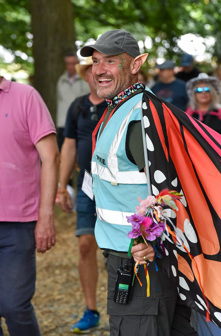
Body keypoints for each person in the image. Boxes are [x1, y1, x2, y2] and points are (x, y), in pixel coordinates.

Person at [80, 29, 199, 336]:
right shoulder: (122, 108)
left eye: (110, 61)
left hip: (141, 265)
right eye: (95, 61)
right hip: (137, 262)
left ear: (136, 65)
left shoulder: (139, 117)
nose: (99, 70)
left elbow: (173, 189)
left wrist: (148, 238)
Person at [0, 76, 59, 335]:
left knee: (14, 305)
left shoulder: (26, 96)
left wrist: (45, 216)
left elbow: (52, 157)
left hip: (18, 223)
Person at [58, 57, 107, 334]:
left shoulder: (118, 105)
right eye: (89, 70)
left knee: (121, 250)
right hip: (86, 186)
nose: (95, 73)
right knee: (86, 244)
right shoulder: (77, 107)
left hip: (117, 188)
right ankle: (91, 309)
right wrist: (61, 186)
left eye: (99, 68)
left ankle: (125, 308)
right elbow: (68, 146)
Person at [186, 73, 221, 143]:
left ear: (212, 93)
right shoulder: (189, 113)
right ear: (194, 94)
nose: (203, 92)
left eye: (207, 89)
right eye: (199, 90)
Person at [56, 51, 89, 150]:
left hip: (80, 122)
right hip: (63, 123)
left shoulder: (85, 80)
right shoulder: (61, 81)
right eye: (68, 64)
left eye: (73, 63)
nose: (71, 66)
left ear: (78, 63)